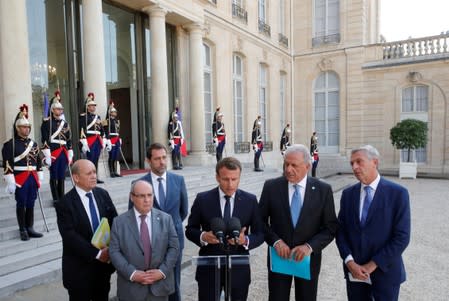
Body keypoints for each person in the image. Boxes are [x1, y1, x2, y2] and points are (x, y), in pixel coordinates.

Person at [259, 144, 338, 301]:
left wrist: (309, 247)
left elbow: (330, 228)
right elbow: (259, 222)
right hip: (279, 259)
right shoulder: (271, 187)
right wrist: (276, 242)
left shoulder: (323, 190)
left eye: (294, 165)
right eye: (286, 164)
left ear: (307, 166)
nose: (288, 169)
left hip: (308, 260)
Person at [335, 145, 411, 301]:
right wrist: (349, 262)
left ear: (374, 162)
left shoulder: (398, 193)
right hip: (355, 273)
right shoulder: (348, 194)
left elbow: (402, 237)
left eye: (359, 162)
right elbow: (341, 232)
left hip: (386, 272)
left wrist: (373, 264)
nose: (354, 167)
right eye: (352, 163)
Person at [185, 157, 264, 301]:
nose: (230, 184)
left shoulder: (250, 200)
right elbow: (190, 229)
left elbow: (260, 234)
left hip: (239, 270)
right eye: (225, 179)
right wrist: (203, 237)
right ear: (217, 177)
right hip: (209, 270)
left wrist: (245, 240)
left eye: (234, 179)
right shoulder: (203, 199)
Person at [128, 143, 188, 301]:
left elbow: (183, 211)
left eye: (164, 157)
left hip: (174, 241)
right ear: (148, 161)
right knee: (150, 287)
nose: (162, 162)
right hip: (148, 244)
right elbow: (132, 215)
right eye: (157, 159)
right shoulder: (138, 184)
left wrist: (168, 229)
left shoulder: (178, 180)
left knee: (174, 283)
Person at [55, 159, 118, 301]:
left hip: (103, 269)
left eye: (95, 172)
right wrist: (97, 254)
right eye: (89, 173)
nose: (94, 176)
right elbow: (70, 236)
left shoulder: (103, 194)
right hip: (79, 271)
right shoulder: (65, 203)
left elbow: (115, 222)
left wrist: (110, 249)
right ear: (76, 178)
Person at [110, 180, 179, 301]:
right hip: (130, 289)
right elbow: (114, 252)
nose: (147, 200)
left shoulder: (166, 219)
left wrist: (162, 271)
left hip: (159, 287)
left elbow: (174, 248)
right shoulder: (119, 222)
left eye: (149, 195)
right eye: (141, 196)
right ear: (132, 197)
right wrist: (132, 273)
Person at [2, 105, 44, 241]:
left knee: (31, 202)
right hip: (19, 178)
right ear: (17, 128)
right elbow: (7, 164)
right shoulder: (10, 145)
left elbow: (38, 162)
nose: (27, 129)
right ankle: (22, 229)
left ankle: (30, 227)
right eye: (24, 127)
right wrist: (10, 180)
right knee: (22, 203)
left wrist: (40, 175)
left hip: (32, 177)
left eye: (28, 127)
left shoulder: (34, 144)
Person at [41, 93, 73, 204]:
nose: (60, 111)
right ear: (53, 110)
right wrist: (47, 154)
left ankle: (61, 197)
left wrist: (70, 150)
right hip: (53, 151)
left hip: (63, 151)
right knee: (54, 175)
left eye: (61, 109)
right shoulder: (47, 123)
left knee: (61, 175)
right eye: (57, 109)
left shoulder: (65, 124)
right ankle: (55, 198)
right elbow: (44, 139)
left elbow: (68, 138)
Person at [79, 92, 111, 183]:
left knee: (96, 159)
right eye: (91, 106)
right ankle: (88, 178)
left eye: (94, 106)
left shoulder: (98, 117)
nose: (93, 107)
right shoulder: (83, 116)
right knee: (90, 160)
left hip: (97, 140)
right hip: (89, 140)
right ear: (87, 107)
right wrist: (83, 141)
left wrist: (104, 137)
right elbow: (82, 129)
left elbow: (101, 128)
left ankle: (95, 178)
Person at [103, 102, 122, 177]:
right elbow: (106, 130)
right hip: (111, 139)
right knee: (111, 156)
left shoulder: (117, 121)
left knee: (116, 156)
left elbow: (117, 131)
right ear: (110, 113)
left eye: (115, 112)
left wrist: (119, 138)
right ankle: (111, 172)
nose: (115, 113)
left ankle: (115, 171)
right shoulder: (107, 121)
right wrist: (108, 140)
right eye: (113, 112)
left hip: (116, 138)